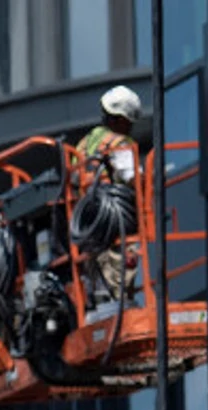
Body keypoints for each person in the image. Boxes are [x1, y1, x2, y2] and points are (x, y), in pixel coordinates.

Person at [74, 84, 148, 302]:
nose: (131, 128)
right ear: (119, 119)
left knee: (98, 289)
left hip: (90, 228)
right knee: (118, 289)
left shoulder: (83, 144)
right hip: (115, 230)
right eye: (129, 122)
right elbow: (133, 178)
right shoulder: (118, 144)